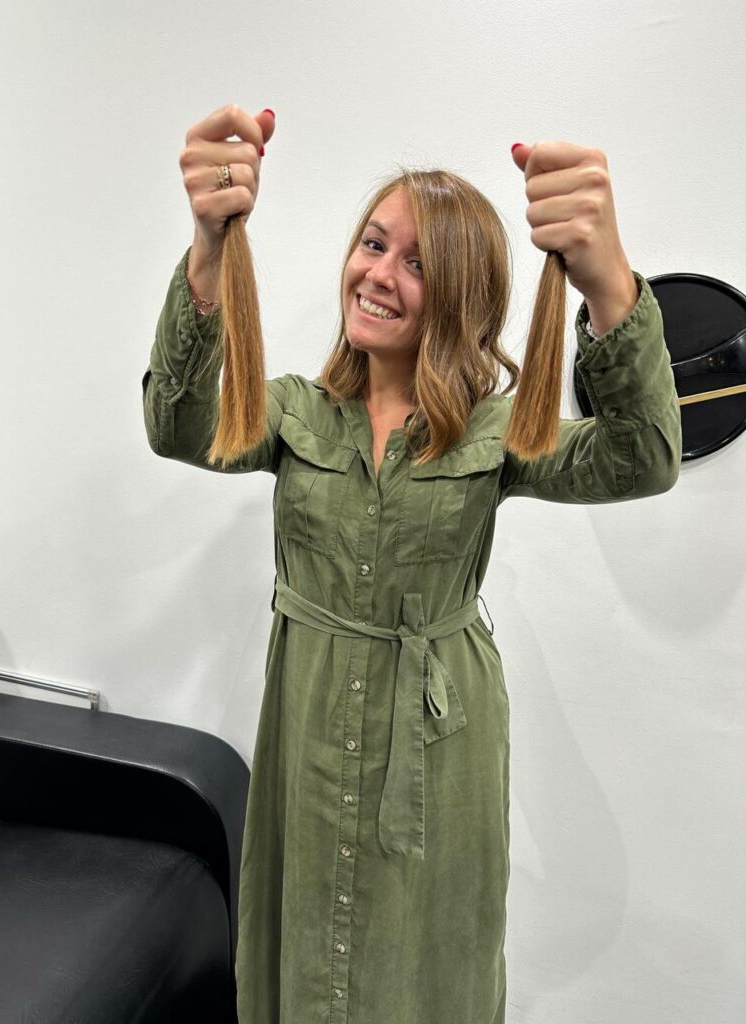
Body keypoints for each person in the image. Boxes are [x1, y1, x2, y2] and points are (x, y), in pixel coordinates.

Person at [142, 103, 682, 1024]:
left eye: (419, 264)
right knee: (306, 942)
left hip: (439, 740)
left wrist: (607, 281)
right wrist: (208, 245)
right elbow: (176, 426)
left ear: (463, 297)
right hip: (308, 717)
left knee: (424, 956)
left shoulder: (495, 430)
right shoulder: (294, 413)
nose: (379, 274)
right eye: (374, 244)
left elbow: (643, 458)